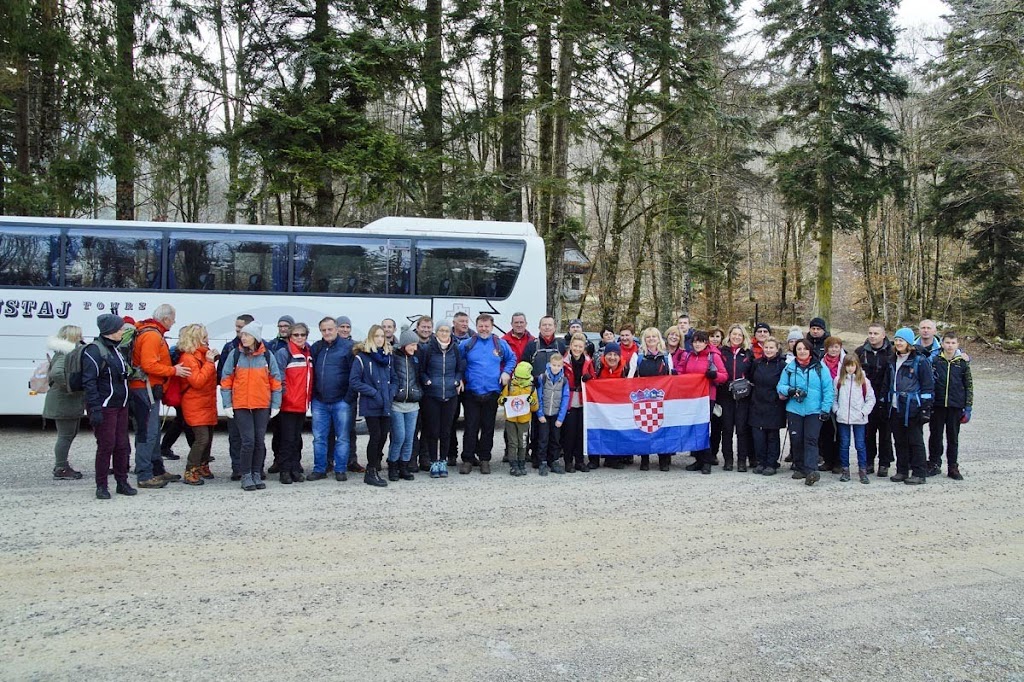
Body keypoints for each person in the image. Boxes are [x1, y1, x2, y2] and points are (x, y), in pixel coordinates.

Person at [130, 304, 189, 488]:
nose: (174, 322)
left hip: (146, 389)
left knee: (152, 432)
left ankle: (157, 469)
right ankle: (145, 474)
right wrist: (173, 370)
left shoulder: (151, 333)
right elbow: (149, 365)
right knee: (148, 433)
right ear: (165, 319)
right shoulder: (152, 336)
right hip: (145, 390)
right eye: (172, 319)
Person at [220, 321, 283, 492]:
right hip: (241, 405)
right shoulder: (235, 355)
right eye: (243, 334)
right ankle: (246, 474)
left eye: (247, 334)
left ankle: (256, 472)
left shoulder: (267, 356)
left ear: (255, 337)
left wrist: (276, 403)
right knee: (248, 441)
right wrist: (227, 404)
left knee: (259, 441)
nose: (243, 337)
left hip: (261, 405)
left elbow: (276, 381)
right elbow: (226, 380)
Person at [83, 314, 137, 499]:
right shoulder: (94, 351)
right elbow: (89, 382)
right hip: (106, 406)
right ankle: (101, 485)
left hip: (120, 405)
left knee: (122, 445)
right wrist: (95, 409)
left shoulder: (116, 349)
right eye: (120, 328)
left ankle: (122, 482)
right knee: (106, 446)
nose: (123, 331)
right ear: (110, 331)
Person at [459, 314, 516, 474]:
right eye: (481, 326)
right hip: (472, 392)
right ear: (476, 327)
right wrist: (461, 378)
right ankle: (468, 460)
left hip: (492, 393)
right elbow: (457, 361)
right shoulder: (467, 344)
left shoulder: (499, 344)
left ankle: (485, 459)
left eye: (487, 326)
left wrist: (506, 372)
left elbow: (512, 358)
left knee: (488, 428)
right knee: (470, 428)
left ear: (492, 327)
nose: (484, 329)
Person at [776, 338, 834, 486]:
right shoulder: (789, 368)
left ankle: (811, 470)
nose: (802, 352)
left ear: (810, 351)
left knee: (811, 439)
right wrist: (791, 390)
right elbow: (780, 386)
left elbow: (828, 389)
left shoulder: (820, 367)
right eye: (799, 349)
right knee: (797, 439)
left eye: (805, 349)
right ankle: (799, 466)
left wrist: (826, 408)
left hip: (814, 410)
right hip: (794, 409)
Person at [309, 317, 356, 482]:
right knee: (319, 437)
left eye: (330, 329)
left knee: (342, 437)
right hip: (320, 401)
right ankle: (319, 469)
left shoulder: (348, 348)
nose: (327, 333)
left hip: (341, 401)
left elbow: (355, 374)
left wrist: (348, 398)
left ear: (336, 329)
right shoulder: (316, 347)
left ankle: (340, 469)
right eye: (323, 330)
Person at [673, 330, 727, 474]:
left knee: (704, 429)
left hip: (707, 397)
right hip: (691, 398)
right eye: (695, 341)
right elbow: (681, 372)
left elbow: (724, 376)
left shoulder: (713, 357)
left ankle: (707, 461)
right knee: (694, 429)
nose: (698, 344)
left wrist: (714, 375)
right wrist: (675, 374)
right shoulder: (688, 356)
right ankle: (698, 459)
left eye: (701, 341)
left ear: (705, 343)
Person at [349, 324, 396, 487]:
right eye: (376, 336)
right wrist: (373, 392)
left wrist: (391, 392)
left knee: (383, 435)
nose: (380, 339)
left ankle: (376, 465)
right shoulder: (362, 357)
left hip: (386, 403)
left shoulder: (388, 357)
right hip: (371, 403)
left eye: (382, 336)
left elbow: (394, 378)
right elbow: (354, 381)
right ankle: (370, 470)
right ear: (370, 337)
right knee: (375, 436)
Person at [888, 327, 934, 485]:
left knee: (915, 440)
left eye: (902, 340)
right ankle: (902, 470)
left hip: (912, 406)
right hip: (895, 406)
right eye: (897, 340)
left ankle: (919, 472)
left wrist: (925, 408)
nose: (898, 343)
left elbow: (928, 386)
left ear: (909, 343)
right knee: (899, 440)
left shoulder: (920, 361)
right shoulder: (893, 359)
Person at [420, 320, 465, 478]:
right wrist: (427, 381)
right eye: (441, 331)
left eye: (447, 331)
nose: (444, 333)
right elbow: (422, 371)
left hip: (451, 395)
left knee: (446, 431)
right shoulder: (428, 349)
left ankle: (443, 461)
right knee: (433, 431)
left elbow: (460, 368)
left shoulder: (456, 349)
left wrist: (457, 380)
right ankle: (433, 462)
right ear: (436, 332)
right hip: (432, 395)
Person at [176, 324, 219, 486]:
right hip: (195, 403)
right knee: (202, 438)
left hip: (206, 402)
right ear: (195, 339)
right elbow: (198, 382)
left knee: (208, 437)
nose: (207, 340)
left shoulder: (200, 356)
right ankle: (190, 469)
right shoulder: (188, 358)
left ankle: (202, 465)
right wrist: (209, 363)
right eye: (204, 337)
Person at [628, 327, 674, 471]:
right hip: (644, 399)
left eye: (654, 336)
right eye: (648, 337)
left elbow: (672, 378)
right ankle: (644, 459)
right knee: (645, 427)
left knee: (663, 427)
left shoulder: (666, 356)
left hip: (662, 398)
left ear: (659, 338)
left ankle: (664, 459)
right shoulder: (638, 356)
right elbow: (630, 377)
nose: (651, 339)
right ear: (644, 340)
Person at [928, 330, 972, 480]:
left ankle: (953, 466)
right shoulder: (935, 360)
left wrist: (968, 407)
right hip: (938, 405)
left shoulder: (962, 362)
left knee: (952, 437)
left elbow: (969, 385)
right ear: (942, 344)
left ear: (957, 345)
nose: (950, 346)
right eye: (947, 342)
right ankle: (934, 463)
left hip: (955, 406)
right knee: (935, 436)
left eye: (953, 343)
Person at [44, 325, 87, 480]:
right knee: (65, 435)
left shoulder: (64, 351)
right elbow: (57, 372)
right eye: (80, 335)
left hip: (65, 401)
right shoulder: (66, 353)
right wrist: (71, 386)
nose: (82, 337)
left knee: (68, 434)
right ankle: (61, 467)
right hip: (64, 401)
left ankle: (61, 465)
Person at [523, 315, 565, 467]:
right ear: (539, 327)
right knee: (537, 427)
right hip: (537, 393)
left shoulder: (561, 345)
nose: (547, 328)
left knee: (554, 430)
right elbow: (523, 366)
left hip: (556, 392)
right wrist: (531, 380)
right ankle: (537, 457)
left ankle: (553, 457)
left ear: (555, 327)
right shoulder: (532, 345)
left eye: (550, 325)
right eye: (544, 325)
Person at [275, 322, 313, 485]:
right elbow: (279, 378)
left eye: (302, 335)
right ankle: (285, 470)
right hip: (288, 404)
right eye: (296, 335)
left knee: (297, 439)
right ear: (290, 336)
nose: (299, 338)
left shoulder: (308, 353)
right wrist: (285, 397)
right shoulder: (284, 353)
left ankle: (295, 468)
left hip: (301, 404)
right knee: (287, 439)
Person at [855, 323, 894, 476]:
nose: (872, 336)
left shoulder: (892, 352)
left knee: (885, 434)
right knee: (867, 433)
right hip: (866, 399)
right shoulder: (860, 352)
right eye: (870, 333)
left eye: (876, 333)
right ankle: (868, 462)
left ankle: (884, 463)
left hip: (885, 398)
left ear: (883, 335)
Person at [218, 314, 254, 480]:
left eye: (240, 328)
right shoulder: (230, 348)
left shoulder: (263, 348)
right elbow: (222, 376)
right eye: (237, 327)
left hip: (255, 401)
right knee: (235, 436)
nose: (237, 331)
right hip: (236, 399)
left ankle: (255, 468)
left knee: (254, 438)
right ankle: (237, 468)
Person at [833, 354, 875, 484]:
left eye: (852, 365)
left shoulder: (864, 381)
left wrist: (863, 412)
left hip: (859, 418)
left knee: (860, 445)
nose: (850, 368)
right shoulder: (839, 380)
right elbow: (834, 397)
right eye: (847, 365)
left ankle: (862, 470)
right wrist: (837, 411)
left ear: (857, 366)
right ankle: (845, 470)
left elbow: (870, 399)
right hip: (843, 417)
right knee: (844, 444)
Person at [718, 324, 755, 471]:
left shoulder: (747, 354)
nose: (736, 337)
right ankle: (728, 460)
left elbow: (753, 374)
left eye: (739, 335)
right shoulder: (722, 352)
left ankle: (741, 461)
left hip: (743, 397)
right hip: (726, 396)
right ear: (729, 335)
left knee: (742, 429)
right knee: (726, 429)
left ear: (743, 337)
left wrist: (747, 386)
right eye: (734, 334)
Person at [388, 329, 422, 482]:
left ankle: (404, 466)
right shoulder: (394, 357)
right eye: (412, 345)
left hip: (413, 403)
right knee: (399, 437)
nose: (414, 348)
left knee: (409, 437)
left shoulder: (416, 359)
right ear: (404, 344)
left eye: (416, 345)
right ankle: (393, 465)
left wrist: (419, 392)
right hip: (397, 403)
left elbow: (420, 376)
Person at [749, 337, 786, 475]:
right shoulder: (757, 363)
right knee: (758, 437)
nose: (769, 350)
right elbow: (751, 379)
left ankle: (771, 463)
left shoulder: (782, 365)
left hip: (774, 405)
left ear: (777, 349)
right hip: (757, 403)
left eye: (772, 347)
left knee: (772, 436)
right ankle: (761, 461)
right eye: (766, 347)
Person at [264, 315, 295, 473]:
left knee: (294, 433)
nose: (283, 329)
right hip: (277, 394)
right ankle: (278, 460)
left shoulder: (299, 344)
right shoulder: (272, 345)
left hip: (294, 395)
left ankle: (294, 462)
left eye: (286, 326)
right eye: (280, 326)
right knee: (278, 431)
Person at [334, 315, 364, 474]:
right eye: (342, 327)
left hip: (348, 395)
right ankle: (329, 461)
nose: (345, 330)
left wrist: (350, 395)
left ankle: (351, 460)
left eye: (347, 327)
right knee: (331, 431)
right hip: (331, 396)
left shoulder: (355, 347)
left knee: (349, 431)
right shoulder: (326, 345)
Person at [561, 333, 595, 473]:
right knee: (569, 432)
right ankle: (568, 461)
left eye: (580, 346)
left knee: (581, 433)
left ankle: (580, 461)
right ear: (571, 346)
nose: (577, 349)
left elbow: (593, 378)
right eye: (575, 346)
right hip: (568, 399)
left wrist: (589, 378)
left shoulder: (587, 361)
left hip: (583, 399)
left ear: (583, 347)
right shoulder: (564, 361)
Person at [499, 361, 539, 476]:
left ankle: (521, 463)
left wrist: (532, 402)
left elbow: (535, 407)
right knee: (513, 443)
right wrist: (502, 400)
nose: (519, 380)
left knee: (523, 443)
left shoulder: (531, 388)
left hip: (524, 421)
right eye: (517, 377)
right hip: (511, 420)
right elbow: (502, 398)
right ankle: (513, 464)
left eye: (522, 378)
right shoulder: (511, 385)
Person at [593, 340, 627, 469]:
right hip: (599, 404)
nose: (612, 358)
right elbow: (590, 377)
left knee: (615, 430)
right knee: (596, 428)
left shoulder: (625, 368)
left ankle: (612, 458)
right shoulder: (597, 365)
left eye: (615, 355)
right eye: (609, 354)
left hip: (617, 405)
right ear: (604, 355)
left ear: (619, 356)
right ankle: (594, 458)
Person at [536, 352, 570, 475]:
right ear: (549, 365)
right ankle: (542, 462)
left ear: (562, 366)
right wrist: (539, 414)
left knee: (555, 440)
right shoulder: (542, 378)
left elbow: (565, 399)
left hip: (556, 415)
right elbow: (538, 397)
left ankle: (554, 461)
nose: (555, 368)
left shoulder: (564, 381)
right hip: (544, 415)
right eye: (554, 365)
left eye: (558, 366)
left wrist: (561, 418)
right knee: (543, 439)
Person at [817, 336, 846, 474]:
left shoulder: (846, 362)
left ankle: (839, 462)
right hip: (825, 400)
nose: (834, 350)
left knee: (840, 433)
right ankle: (828, 460)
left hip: (842, 400)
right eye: (831, 347)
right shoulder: (821, 362)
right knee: (826, 432)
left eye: (836, 347)